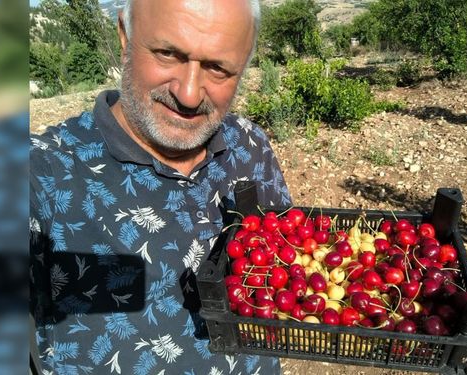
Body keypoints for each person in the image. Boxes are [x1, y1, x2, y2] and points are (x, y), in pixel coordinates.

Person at [29, 0, 291, 373]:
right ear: (125, 35)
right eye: (167, 54)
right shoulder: (42, 174)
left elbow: (286, 263)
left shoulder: (250, 146)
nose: (188, 94)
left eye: (218, 68)